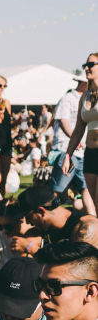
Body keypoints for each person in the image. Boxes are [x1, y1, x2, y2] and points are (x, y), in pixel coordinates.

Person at [62, 54, 98, 216]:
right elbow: (78, 130)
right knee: (91, 200)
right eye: (85, 64)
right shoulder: (85, 96)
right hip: (89, 153)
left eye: (91, 64)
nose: (86, 68)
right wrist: (68, 155)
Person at [52, 75, 94, 213]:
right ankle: (46, 215)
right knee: (58, 187)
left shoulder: (90, 97)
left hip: (83, 151)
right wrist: (74, 143)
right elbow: (64, 122)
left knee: (86, 189)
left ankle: (92, 218)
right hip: (67, 148)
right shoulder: (68, 98)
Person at [18, 183, 98, 247]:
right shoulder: (42, 230)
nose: (27, 222)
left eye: (27, 216)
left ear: (41, 211)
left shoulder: (81, 227)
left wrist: (37, 247)